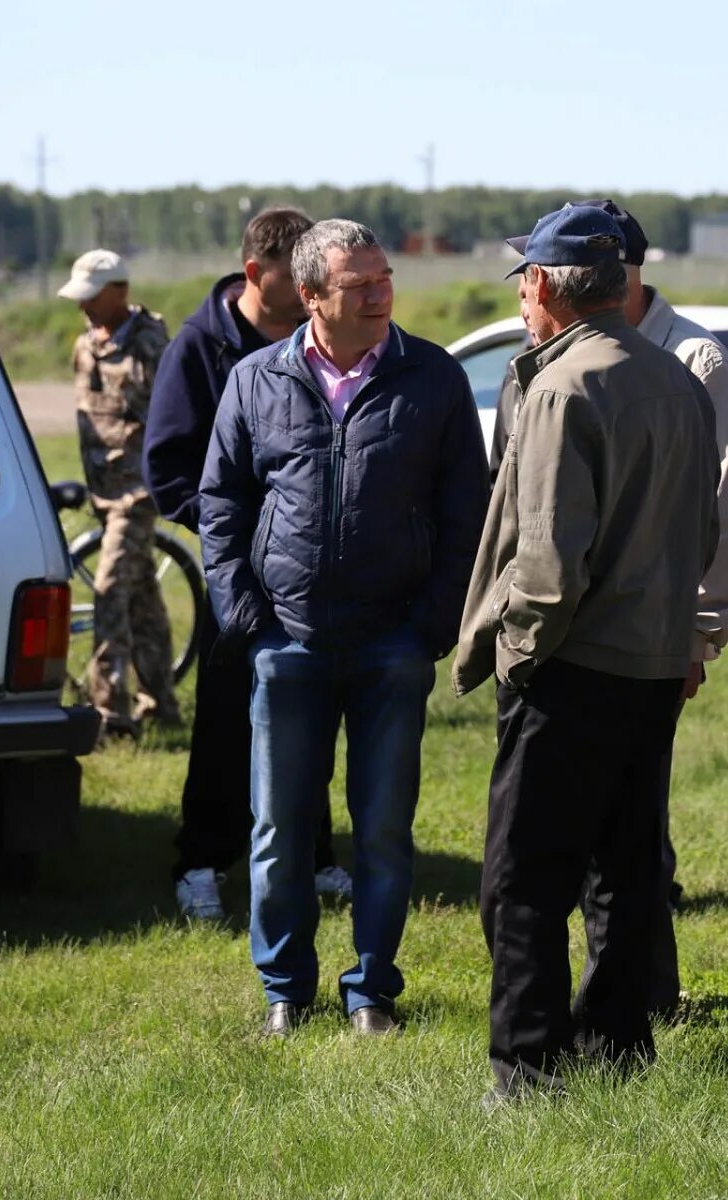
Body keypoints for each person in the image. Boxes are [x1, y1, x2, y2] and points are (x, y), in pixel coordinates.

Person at [456, 204, 719, 1103]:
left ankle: (526, 1073)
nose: (521, 298)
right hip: (650, 666)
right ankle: (615, 1049)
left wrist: (518, 654)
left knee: (523, 879)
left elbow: (548, 562)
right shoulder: (672, 376)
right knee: (627, 869)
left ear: (541, 287)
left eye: (521, 281)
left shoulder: (567, 387)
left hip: (573, 667)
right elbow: (707, 528)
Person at [200, 219, 488, 1037]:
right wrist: (247, 619)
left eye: (385, 277)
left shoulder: (431, 376)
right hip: (284, 643)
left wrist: (430, 623)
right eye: (360, 285)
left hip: (391, 645)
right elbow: (220, 504)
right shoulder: (256, 379)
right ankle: (284, 993)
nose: (381, 293)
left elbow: (467, 509)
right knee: (278, 831)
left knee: (385, 832)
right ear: (311, 295)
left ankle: (372, 995)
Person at [532, 201, 728, 1015]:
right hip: (581, 638)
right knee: (604, 827)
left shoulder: (693, 360)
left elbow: (724, 511)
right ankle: (623, 997)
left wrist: (702, 630)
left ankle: (639, 994)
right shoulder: (561, 358)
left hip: (652, 637)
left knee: (630, 832)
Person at [141, 207, 352, 920]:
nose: (309, 289)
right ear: (257, 273)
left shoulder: (313, 342)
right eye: (296, 277)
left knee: (313, 712)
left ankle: (317, 855)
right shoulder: (200, 348)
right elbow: (169, 471)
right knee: (228, 721)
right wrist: (241, 530)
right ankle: (201, 861)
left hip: (313, 575)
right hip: (238, 574)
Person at [61, 249, 180, 735]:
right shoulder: (85, 345)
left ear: (120, 292)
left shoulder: (151, 344)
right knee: (142, 602)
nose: (83, 307)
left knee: (109, 592)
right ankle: (163, 707)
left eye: (92, 297)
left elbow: (171, 417)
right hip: (104, 494)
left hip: (137, 494)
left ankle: (111, 716)